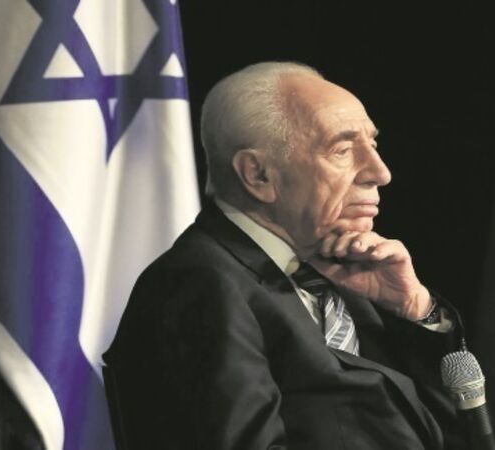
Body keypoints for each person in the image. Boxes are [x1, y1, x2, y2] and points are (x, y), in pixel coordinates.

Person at [103, 62, 466, 449]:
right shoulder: (198, 285)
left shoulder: (341, 273)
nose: (380, 172)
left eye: (373, 146)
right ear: (258, 175)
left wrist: (414, 308)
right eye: (342, 150)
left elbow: (458, 433)